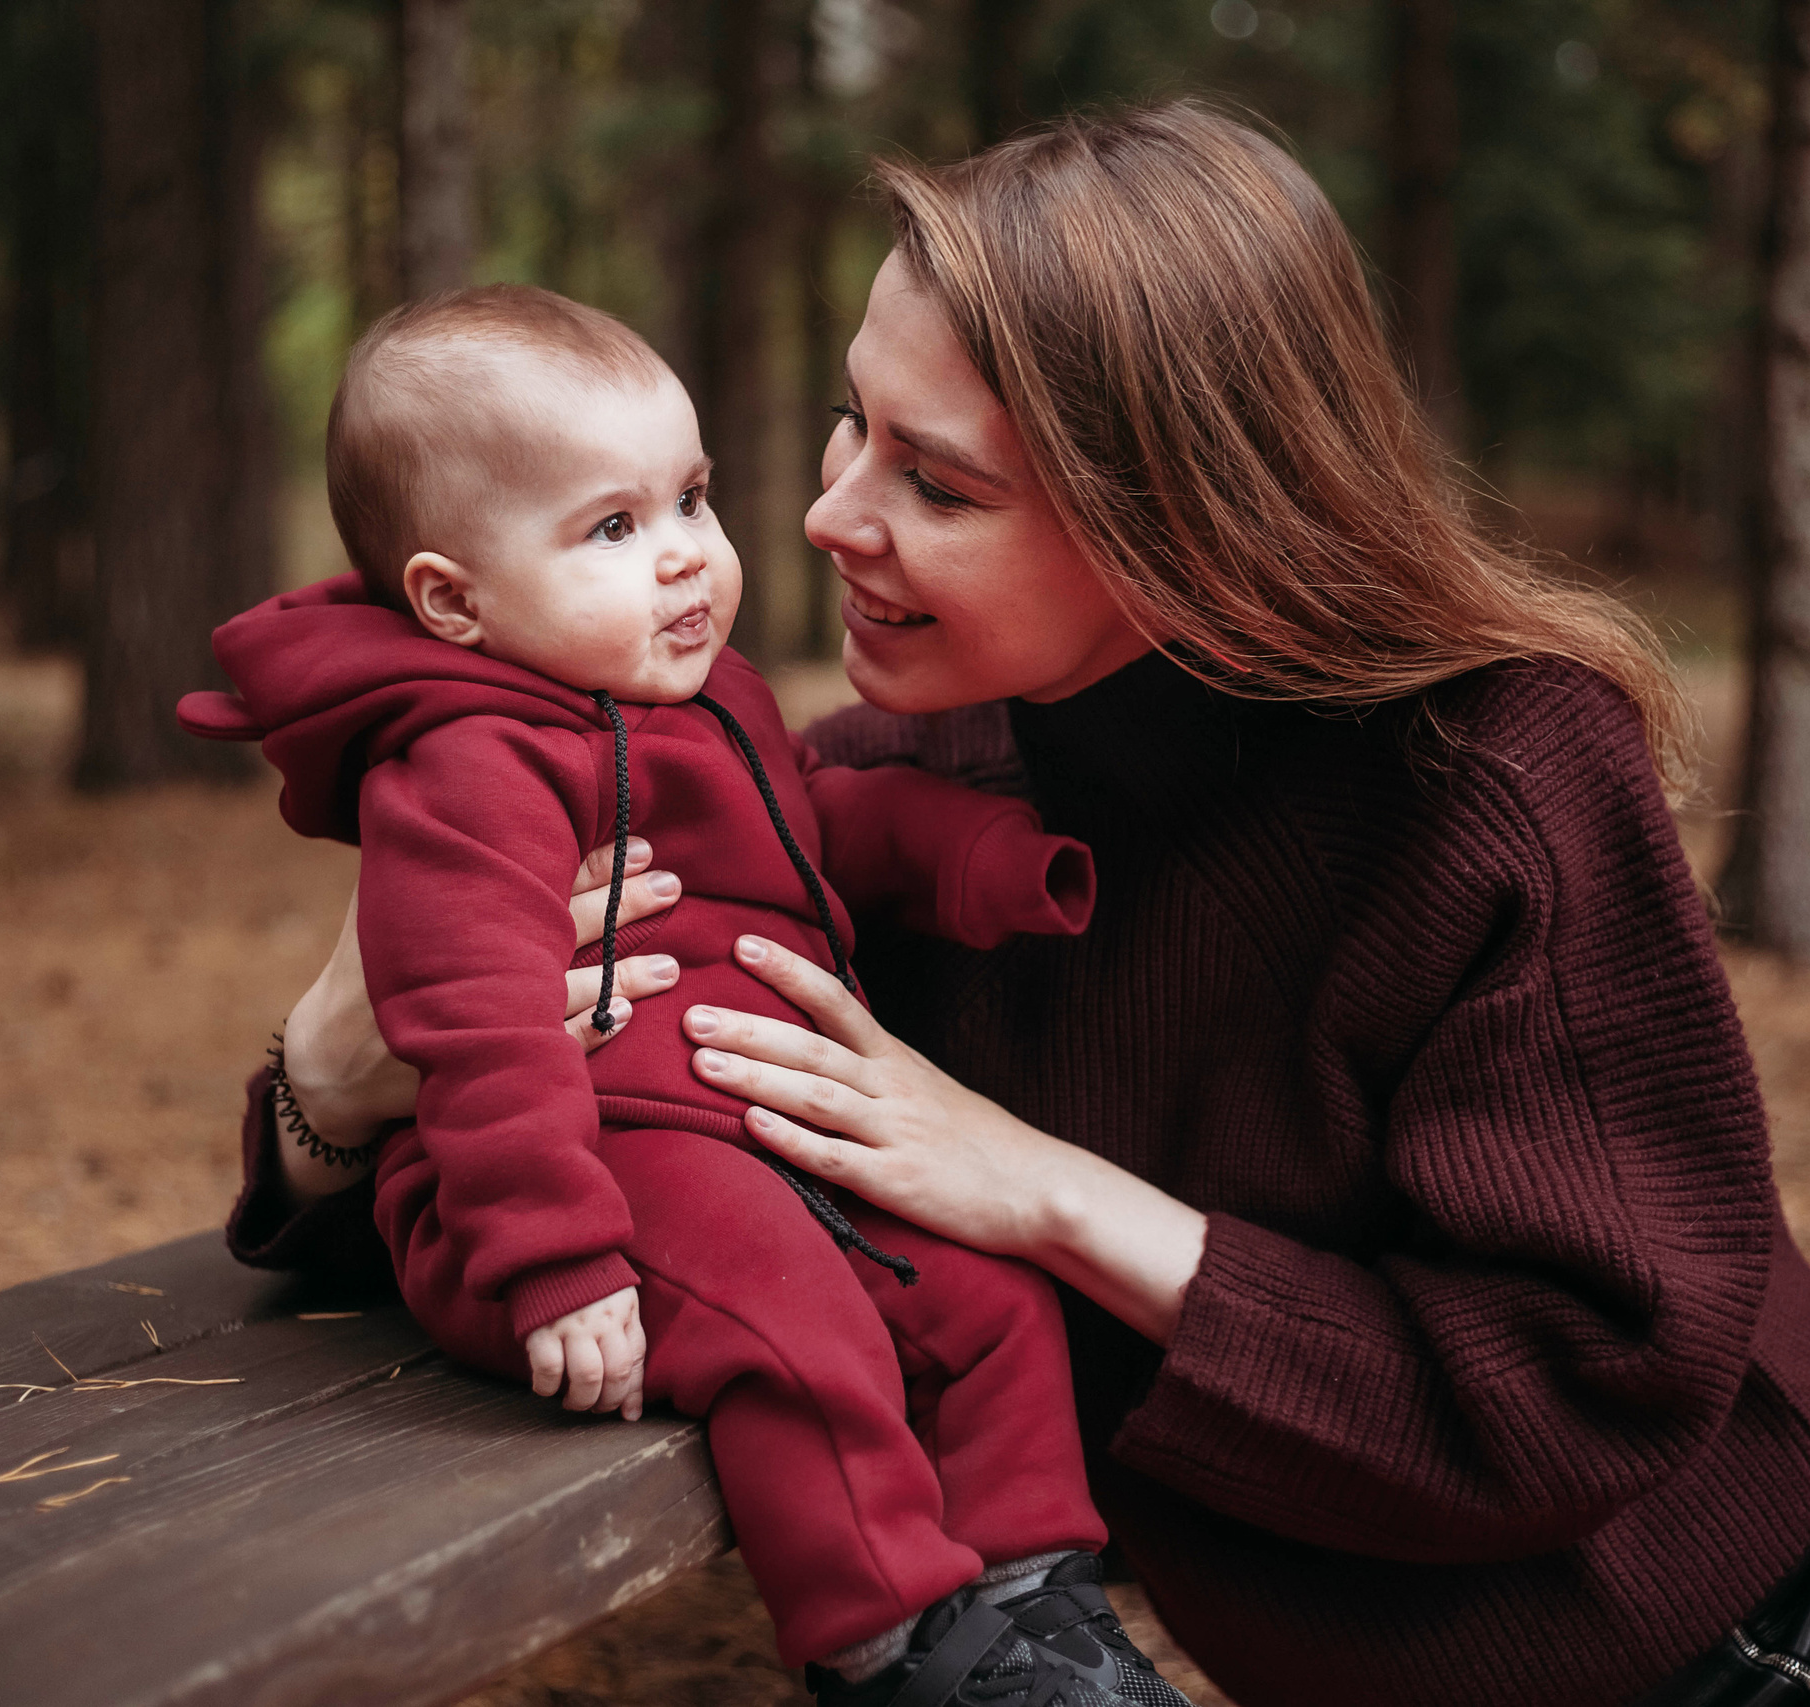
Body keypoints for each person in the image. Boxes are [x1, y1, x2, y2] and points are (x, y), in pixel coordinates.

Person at [232, 106, 1810, 1707]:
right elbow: (552, 1197)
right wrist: (339, 1067)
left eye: (938, 482)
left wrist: (1043, 1192)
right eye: (846, 426)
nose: (823, 519)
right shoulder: (881, 800)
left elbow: (1586, 1387)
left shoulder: (1494, 780)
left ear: (1182, 519)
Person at [182, 284, 1198, 1707]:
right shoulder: (464, 765)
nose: (685, 562)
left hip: (736, 1140)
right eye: (613, 527)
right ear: (451, 599)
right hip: (578, 1183)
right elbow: (475, 1030)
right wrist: (554, 1258)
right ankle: (892, 1643)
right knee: (797, 1329)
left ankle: (1037, 1604)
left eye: (692, 501)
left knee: (987, 1304)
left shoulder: (703, 702)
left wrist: (982, 858)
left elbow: (812, 824)